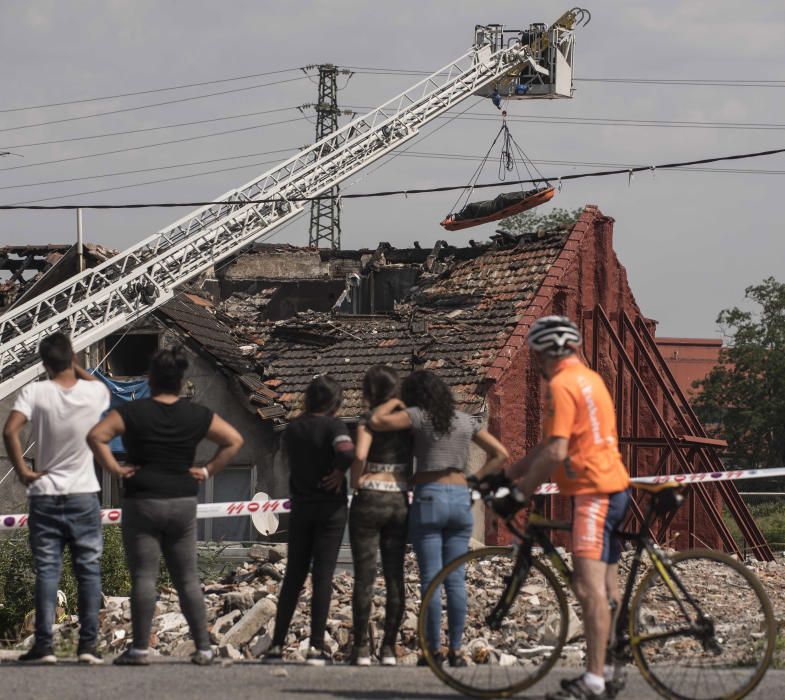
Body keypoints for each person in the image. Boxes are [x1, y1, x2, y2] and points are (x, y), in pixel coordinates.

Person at [87, 346, 243, 666]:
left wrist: (115, 469)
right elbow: (234, 441)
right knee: (186, 577)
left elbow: (96, 436)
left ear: (152, 379)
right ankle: (203, 648)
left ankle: (140, 649)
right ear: (180, 380)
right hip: (183, 502)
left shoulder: (132, 413)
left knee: (144, 577)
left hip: (142, 500)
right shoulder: (196, 414)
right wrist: (208, 470)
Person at [506, 316, 631, 700]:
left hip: (591, 492)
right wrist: (511, 472)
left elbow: (557, 451)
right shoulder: (591, 379)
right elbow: (550, 447)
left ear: (545, 352)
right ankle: (608, 669)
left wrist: (521, 493)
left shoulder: (560, 385)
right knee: (606, 589)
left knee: (587, 587)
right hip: (615, 486)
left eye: (536, 355)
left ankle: (593, 681)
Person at [369, 369, 509, 666]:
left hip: (428, 496)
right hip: (460, 499)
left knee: (431, 579)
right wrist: (474, 480)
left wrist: (394, 401)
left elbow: (376, 421)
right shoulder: (463, 420)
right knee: (456, 578)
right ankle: (456, 649)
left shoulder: (418, 416)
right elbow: (499, 453)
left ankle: (432, 649)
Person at [2, 332, 110, 665]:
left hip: (45, 493)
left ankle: (44, 646)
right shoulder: (95, 393)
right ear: (72, 358)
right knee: (88, 571)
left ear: (44, 363)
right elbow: (95, 384)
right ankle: (88, 647)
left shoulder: (36, 392)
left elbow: (10, 430)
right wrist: (77, 366)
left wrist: (22, 471)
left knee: (48, 571)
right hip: (83, 493)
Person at [263, 375, 355, 666]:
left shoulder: (293, 429)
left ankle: (276, 645)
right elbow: (346, 452)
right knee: (323, 575)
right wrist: (340, 472)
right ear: (334, 402)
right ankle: (316, 646)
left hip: (301, 507)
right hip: (330, 510)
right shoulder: (334, 426)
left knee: (293, 576)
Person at [348, 365, 412, 666]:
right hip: (398, 498)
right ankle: (388, 648)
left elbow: (360, 455)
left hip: (369, 497)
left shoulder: (368, 421)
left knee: (365, 576)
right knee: (394, 575)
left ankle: (360, 649)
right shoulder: (407, 421)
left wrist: (355, 480)